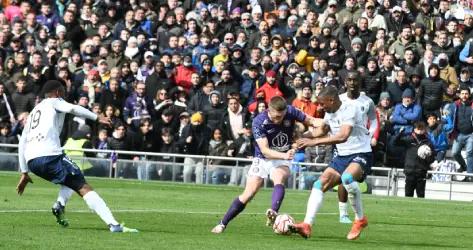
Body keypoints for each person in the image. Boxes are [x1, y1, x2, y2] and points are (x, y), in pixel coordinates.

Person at [16, 80, 138, 233]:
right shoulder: (55, 101)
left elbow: (22, 143)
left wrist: (24, 172)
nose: (65, 95)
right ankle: (114, 225)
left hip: (32, 161)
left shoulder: (35, 111)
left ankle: (59, 205)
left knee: (71, 177)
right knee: (83, 186)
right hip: (50, 155)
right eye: (64, 92)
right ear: (58, 92)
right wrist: (97, 117)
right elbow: (73, 108)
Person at [211, 96, 320, 234]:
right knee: (248, 194)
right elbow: (265, 150)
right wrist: (285, 155)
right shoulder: (258, 121)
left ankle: (273, 212)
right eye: (275, 117)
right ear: (269, 110)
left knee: (279, 177)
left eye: (281, 116)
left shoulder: (291, 111)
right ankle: (222, 224)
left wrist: (328, 123)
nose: (278, 120)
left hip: (282, 158)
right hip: (263, 158)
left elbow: (313, 121)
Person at [291, 85, 371, 240]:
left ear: (332, 100)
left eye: (322, 103)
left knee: (347, 178)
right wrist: (302, 136)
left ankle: (360, 219)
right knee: (318, 185)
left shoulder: (350, 109)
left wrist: (314, 143)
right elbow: (322, 130)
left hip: (360, 152)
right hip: (342, 156)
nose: (320, 107)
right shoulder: (330, 111)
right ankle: (307, 225)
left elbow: (343, 136)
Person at [337, 72, 379, 224]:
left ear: (360, 82)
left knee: (351, 177)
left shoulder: (367, 101)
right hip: (342, 144)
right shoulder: (339, 100)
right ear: (345, 82)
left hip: (361, 146)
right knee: (343, 178)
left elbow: (374, 120)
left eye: (355, 80)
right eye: (349, 79)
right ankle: (343, 214)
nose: (352, 82)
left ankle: (355, 215)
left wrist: (371, 135)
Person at [394, 121, 435, 198]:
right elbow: (395, 143)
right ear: (414, 129)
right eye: (418, 129)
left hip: (421, 172)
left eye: (421, 129)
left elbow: (432, 157)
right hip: (410, 171)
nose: (419, 131)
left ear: (424, 130)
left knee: (421, 195)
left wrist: (427, 157)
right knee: (408, 194)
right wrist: (400, 134)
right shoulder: (409, 140)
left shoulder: (428, 143)